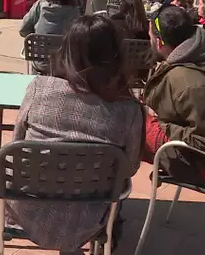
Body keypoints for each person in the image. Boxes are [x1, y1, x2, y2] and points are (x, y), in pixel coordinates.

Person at [7, 14, 144, 254]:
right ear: (115, 56)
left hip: (28, 210)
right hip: (89, 220)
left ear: (67, 49)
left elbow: (16, 144)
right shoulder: (129, 109)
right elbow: (129, 168)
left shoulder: (39, 87)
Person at [143, 6, 205, 184]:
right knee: (133, 120)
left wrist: (165, 125)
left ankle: (110, 199)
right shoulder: (203, 54)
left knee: (127, 126)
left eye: (150, 37)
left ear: (159, 43)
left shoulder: (188, 82)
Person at [19, 0, 79, 74]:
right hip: (63, 67)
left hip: (39, 63)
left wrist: (38, 36)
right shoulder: (74, 12)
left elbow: (23, 30)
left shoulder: (39, 6)